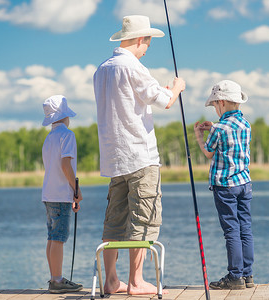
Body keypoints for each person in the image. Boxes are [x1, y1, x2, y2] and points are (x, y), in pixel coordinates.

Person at [93, 15, 186, 295]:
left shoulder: (101, 69)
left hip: (113, 158)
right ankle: (136, 281)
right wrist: (177, 88)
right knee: (144, 218)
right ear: (138, 40)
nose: (147, 49)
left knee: (114, 220)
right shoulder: (134, 67)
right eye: (147, 43)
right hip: (141, 156)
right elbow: (164, 101)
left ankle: (111, 281)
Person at [194, 80, 254, 290]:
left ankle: (234, 276)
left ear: (221, 103)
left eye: (214, 106)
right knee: (244, 228)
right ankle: (247, 275)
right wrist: (214, 129)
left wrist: (199, 136)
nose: (215, 110)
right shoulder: (245, 124)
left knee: (231, 230)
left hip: (225, 186)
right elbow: (232, 143)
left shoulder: (219, 128)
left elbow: (209, 152)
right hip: (244, 184)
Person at [41, 95, 83, 294]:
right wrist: (75, 189)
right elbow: (65, 165)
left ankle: (54, 278)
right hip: (60, 195)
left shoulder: (49, 138)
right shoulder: (67, 135)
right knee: (58, 238)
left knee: (52, 237)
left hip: (48, 194)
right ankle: (57, 281)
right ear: (65, 116)